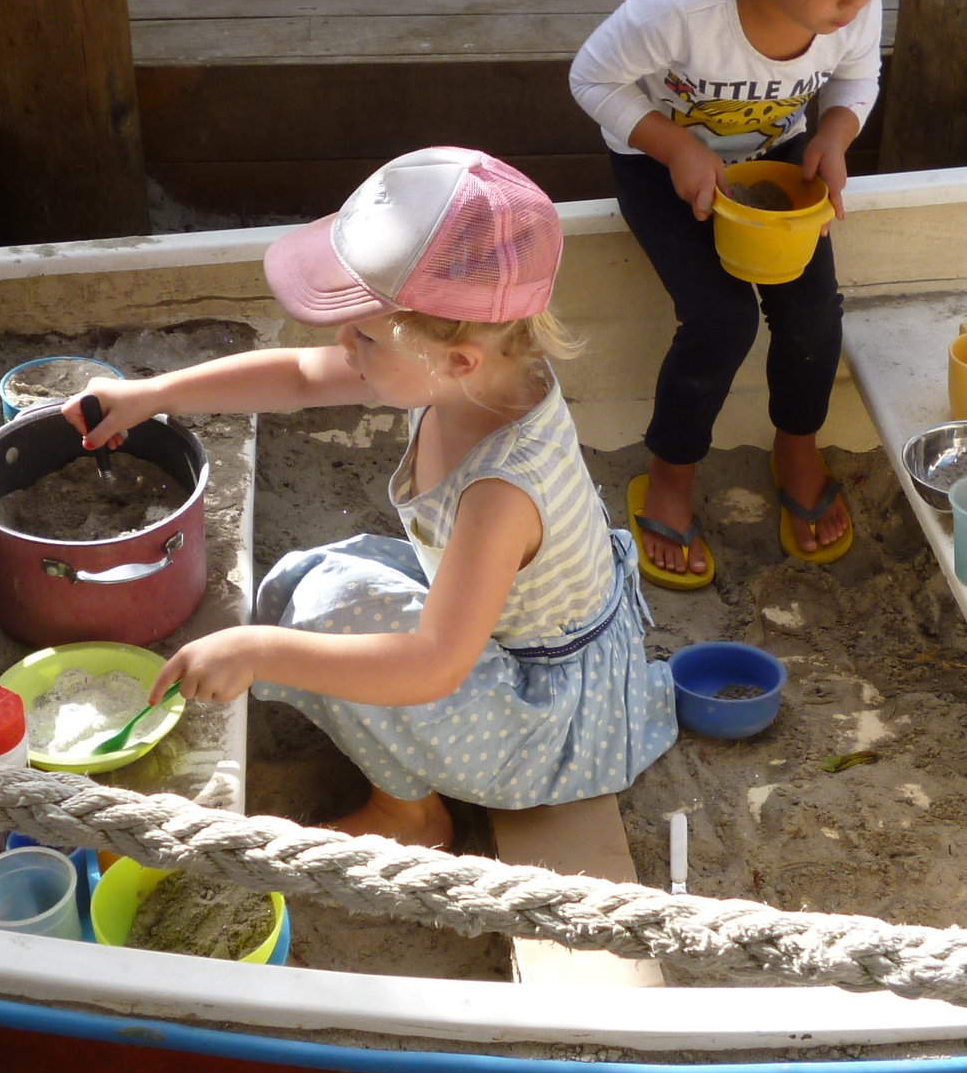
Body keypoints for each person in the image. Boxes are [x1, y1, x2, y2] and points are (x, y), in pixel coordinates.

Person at [68, 147, 677, 849]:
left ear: (457, 360)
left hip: (547, 722)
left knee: (324, 615)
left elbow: (435, 664)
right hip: (514, 639)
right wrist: (152, 395)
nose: (341, 342)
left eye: (362, 333)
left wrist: (260, 652)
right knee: (307, 581)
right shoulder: (472, 372)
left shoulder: (502, 490)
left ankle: (410, 817)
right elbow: (300, 377)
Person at [568, 0, 934, 589]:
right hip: (660, 162)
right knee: (720, 317)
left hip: (778, 155)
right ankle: (670, 474)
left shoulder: (853, 4)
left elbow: (858, 75)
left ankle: (796, 449)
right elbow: (591, 78)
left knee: (813, 312)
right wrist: (674, 147)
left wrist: (835, 132)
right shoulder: (679, 7)